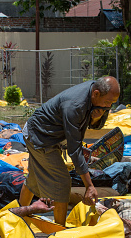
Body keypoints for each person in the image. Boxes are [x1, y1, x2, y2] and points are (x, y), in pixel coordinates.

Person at [19, 76, 121, 226]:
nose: (108, 107)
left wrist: (95, 118)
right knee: (62, 181)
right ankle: (59, 230)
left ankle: (19, 216)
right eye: (107, 103)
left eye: (112, 104)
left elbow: (92, 126)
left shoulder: (97, 97)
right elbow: (74, 150)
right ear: (96, 94)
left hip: (52, 136)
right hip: (39, 136)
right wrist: (89, 186)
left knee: (34, 178)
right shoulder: (74, 105)